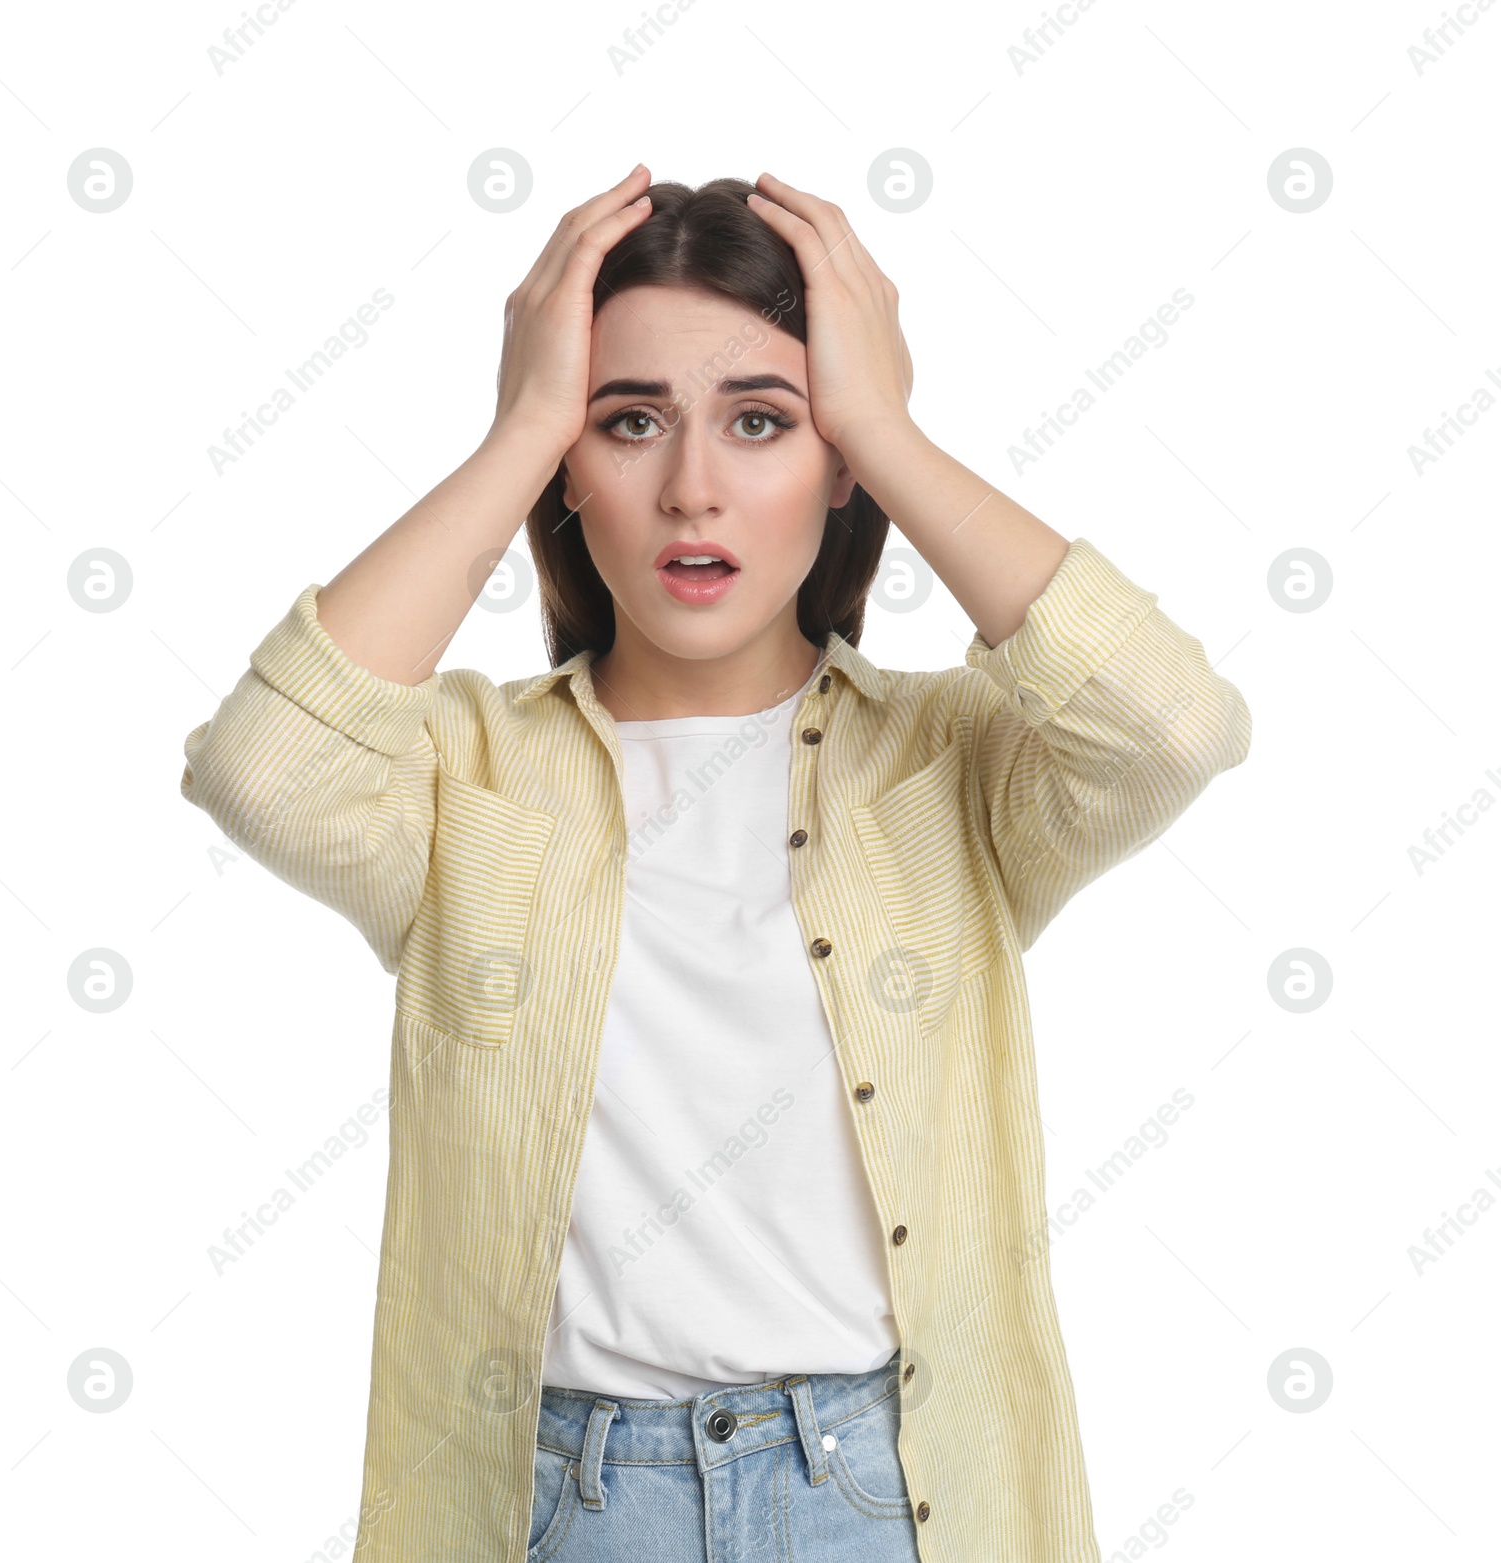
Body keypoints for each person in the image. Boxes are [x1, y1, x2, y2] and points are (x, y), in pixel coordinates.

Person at [179, 165, 1251, 1563]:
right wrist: (519, 432)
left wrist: (883, 423)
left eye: (762, 421)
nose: (693, 490)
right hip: (561, 1506)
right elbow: (263, 767)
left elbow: (1174, 724)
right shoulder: (462, 784)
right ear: (574, 465)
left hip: (889, 1498)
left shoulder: (957, 766)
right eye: (628, 423)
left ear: (835, 466)